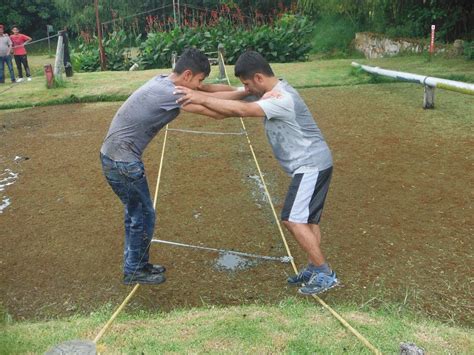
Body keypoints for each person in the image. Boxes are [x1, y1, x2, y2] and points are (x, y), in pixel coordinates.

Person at [175, 51, 338, 295]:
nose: (246, 88)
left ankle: (325, 273)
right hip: (312, 165)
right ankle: (315, 267)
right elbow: (225, 109)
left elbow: (240, 110)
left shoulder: (281, 98)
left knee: (292, 219)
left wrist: (195, 95)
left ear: (259, 78)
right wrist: (190, 101)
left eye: (247, 83)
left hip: (311, 165)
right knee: (306, 220)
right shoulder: (269, 91)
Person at [100, 48, 245, 285]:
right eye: (199, 79)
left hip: (114, 158)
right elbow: (215, 111)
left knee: (137, 213)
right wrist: (256, 105)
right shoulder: (172, 93)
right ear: (187, 75)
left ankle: (137, 264)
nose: (200, 85)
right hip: (122, 163)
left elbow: (209, 91)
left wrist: (244, 92)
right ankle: (134, 270)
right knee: (143, 215)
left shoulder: (162, 80)